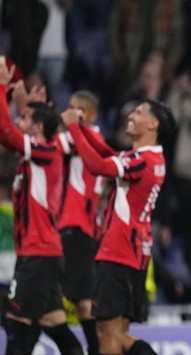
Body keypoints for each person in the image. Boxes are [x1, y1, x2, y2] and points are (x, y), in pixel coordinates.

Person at [61, 95, 175, 355]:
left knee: (109, 333)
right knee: (116, 333)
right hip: (131, 252)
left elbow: (98, 165)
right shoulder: (150, 159)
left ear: (153, 124)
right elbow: (108, 153)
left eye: (138, 112)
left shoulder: (142, 160)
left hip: (118, 252)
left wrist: (73, 128)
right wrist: (85, 130)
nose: (131, 116)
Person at [0, 60, 83, 355]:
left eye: (25, 120)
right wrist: (24, 102)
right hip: (37, 254)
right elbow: (21, 126)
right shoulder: (39, 152)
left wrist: (1, 88)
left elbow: (5, 131)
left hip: (39, 255)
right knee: (56, 327)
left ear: (36, 128)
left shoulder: (45, 151)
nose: (19, 122)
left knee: (16, 328)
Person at [56, 90, 104, 355]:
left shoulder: (84, 138)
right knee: (82, 300)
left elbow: (47, 143)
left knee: (60, 297)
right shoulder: (87, 138)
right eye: (70, 106)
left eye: (80, 109)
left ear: (93, 115)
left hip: (75, 229)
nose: (72, 112)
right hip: (78, 230)